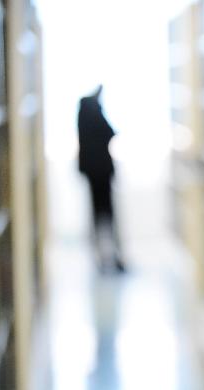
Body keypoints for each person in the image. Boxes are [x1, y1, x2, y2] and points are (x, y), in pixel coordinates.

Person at [78, 85, 125, 273]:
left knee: (99, 217)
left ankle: (106, 258)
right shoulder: (93, 112)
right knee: (105, 217)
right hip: (101, 174)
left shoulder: (84, 113)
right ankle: (109, 258)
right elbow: (109, 132)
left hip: (95, 174)